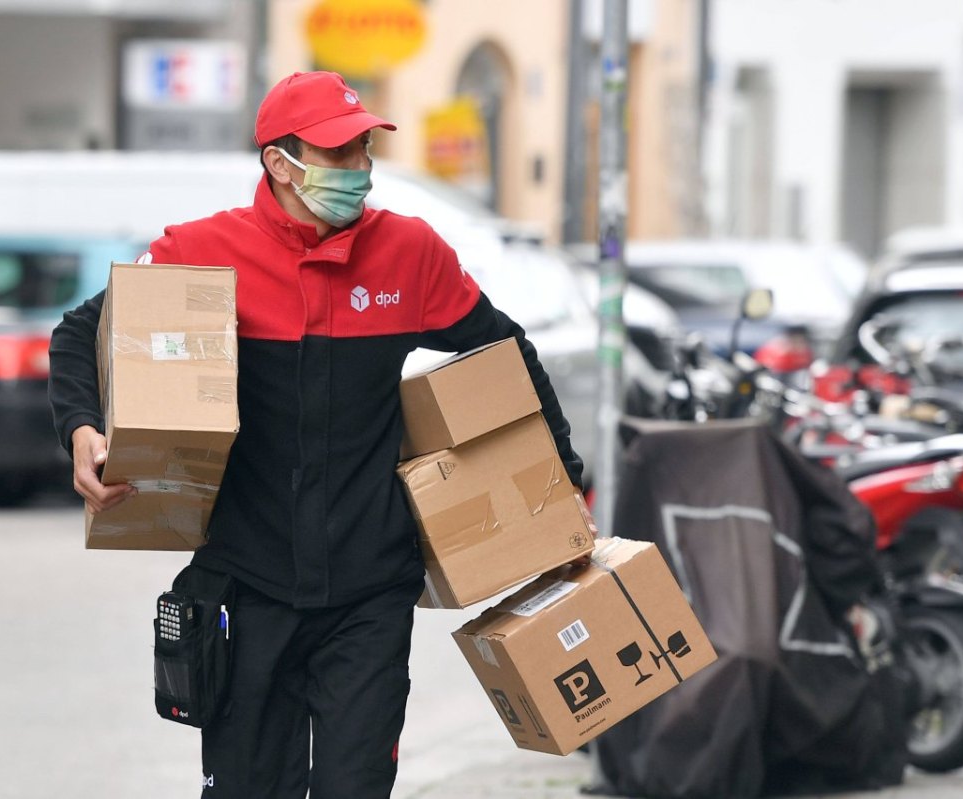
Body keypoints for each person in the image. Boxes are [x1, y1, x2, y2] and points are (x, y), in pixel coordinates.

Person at [48, 70, 583, 799]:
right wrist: (81, 427)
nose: (360, 170)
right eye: (339, 155)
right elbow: (82, 332)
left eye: (364, 150)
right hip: (247, 581)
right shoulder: (204, 253)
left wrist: (566, 482)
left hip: (369, 590)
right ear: (280, 162)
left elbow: (505, 350)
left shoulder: (410, 252)